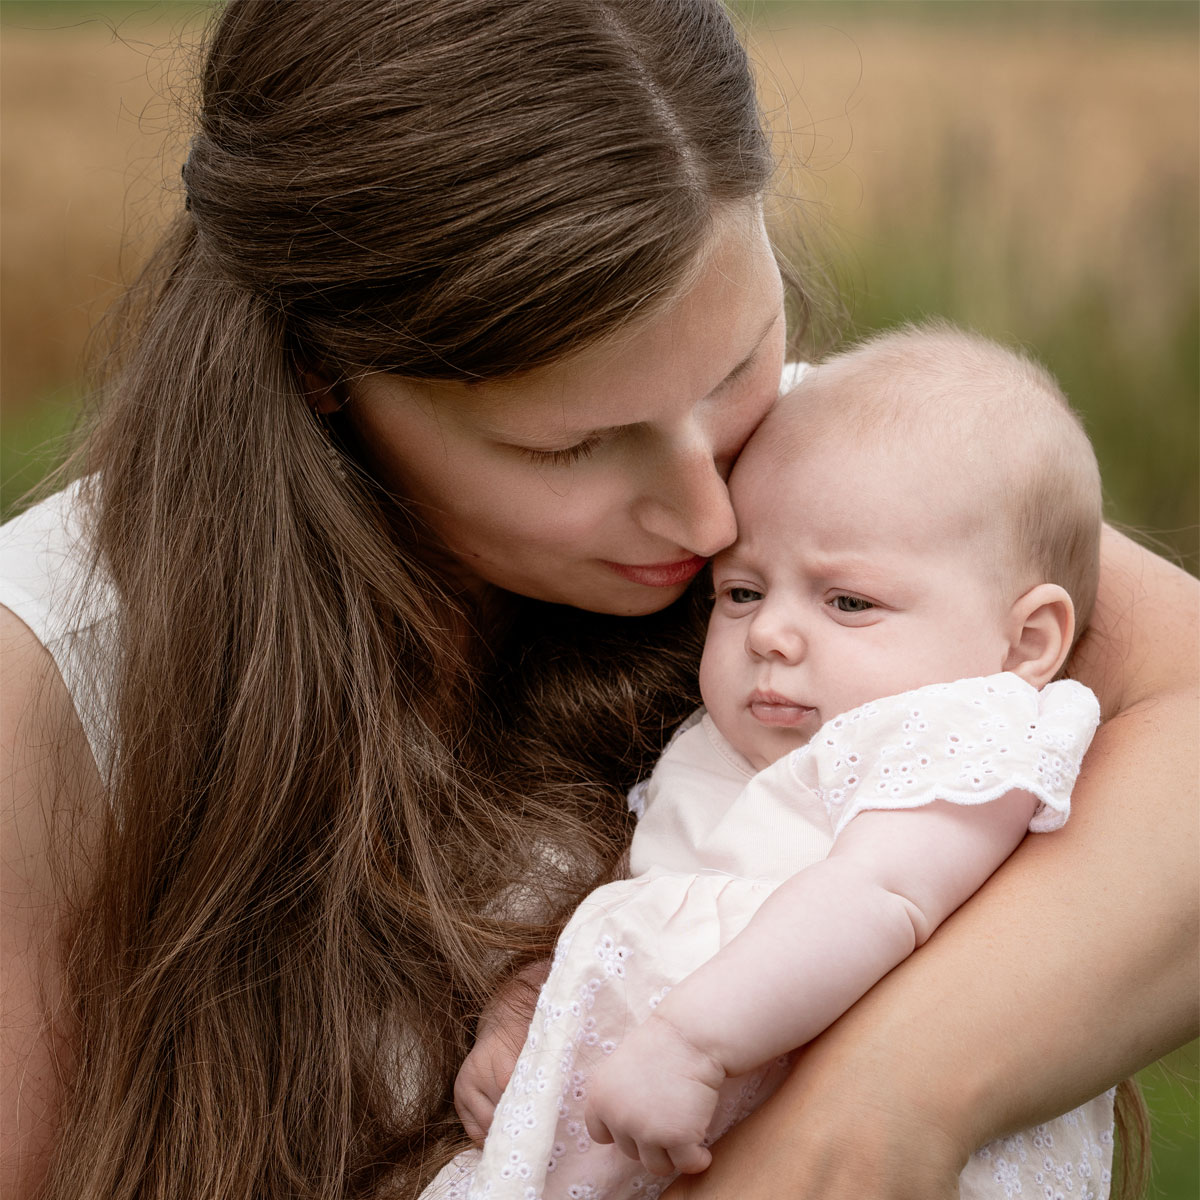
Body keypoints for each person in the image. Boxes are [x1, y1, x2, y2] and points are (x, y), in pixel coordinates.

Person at [0, 3, 1194, 1199]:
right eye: (571, 448)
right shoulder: (54, 668)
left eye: (737, 368)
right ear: (320, 370)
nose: (711, 520)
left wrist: (876, 1110)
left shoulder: (846, 481)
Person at [437, 324, 1112, 1199]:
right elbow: (643, 898)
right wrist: (531, 1010)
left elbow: (881, 896)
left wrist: (691, 1045)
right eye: (742, 591)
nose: (771, 634)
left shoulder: (958, 734)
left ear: (1027, 641)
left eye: (849, 601)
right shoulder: (719, 747)